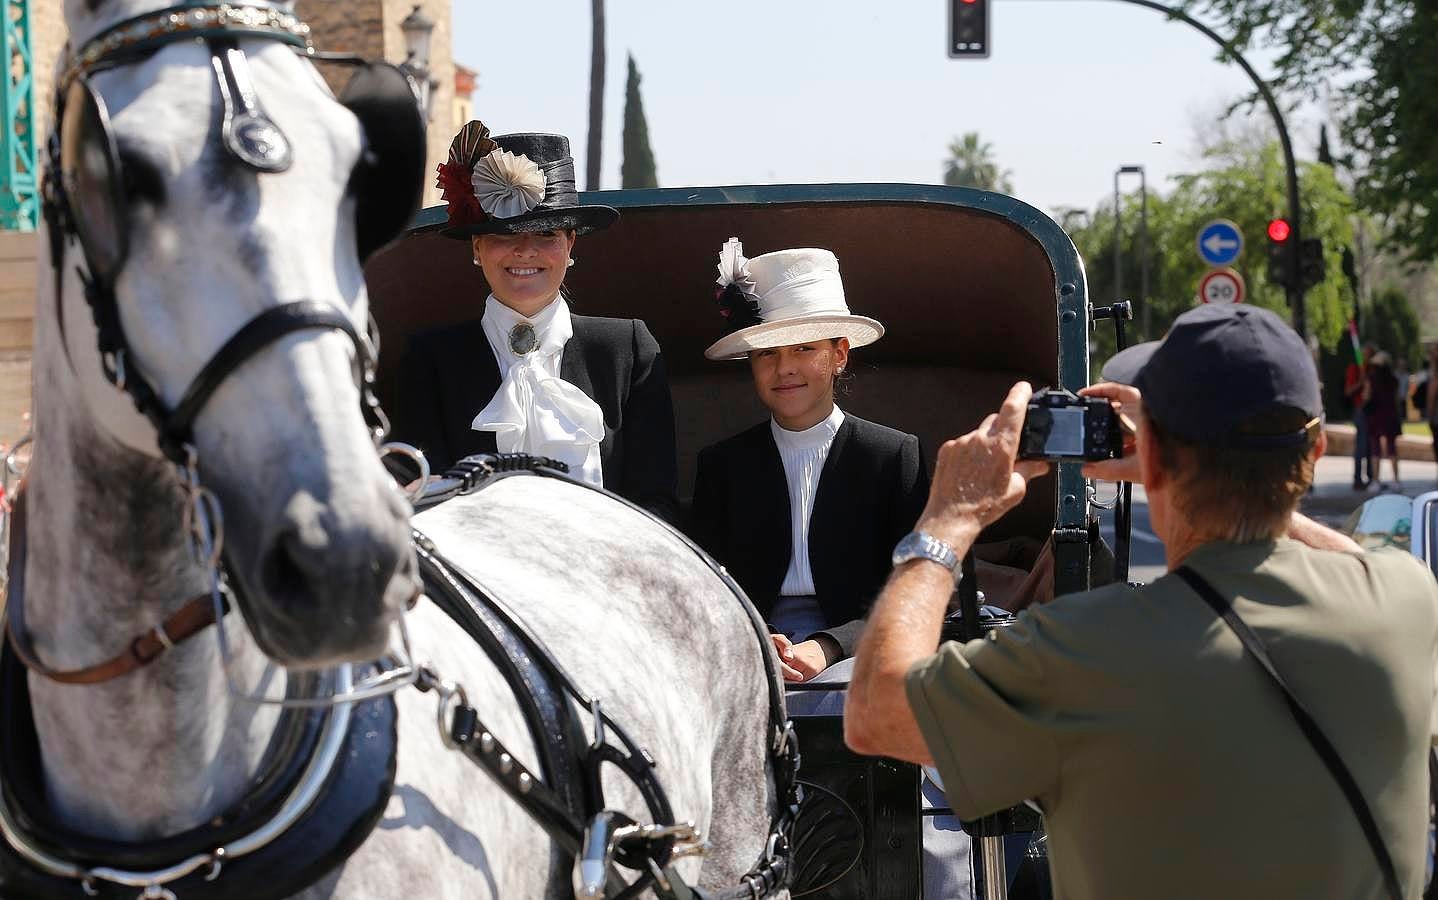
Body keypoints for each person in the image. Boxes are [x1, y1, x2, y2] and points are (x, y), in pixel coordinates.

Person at [846, 303, 1438, 899]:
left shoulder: (1082, 649)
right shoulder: (1408, 600)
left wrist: (949, 517)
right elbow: (1352, 562)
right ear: (1312, 456)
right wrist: (1178, 468)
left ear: (1152, 455)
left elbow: (875, 712)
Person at [393, 121, 678, 520]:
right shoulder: (430, 361)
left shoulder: (626, 349)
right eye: (504, 235)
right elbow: (422, 504)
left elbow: (656, 502)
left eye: (546, 234)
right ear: (477, 246)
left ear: (570, 243)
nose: (525, 251)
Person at [688, 239, 928, 683]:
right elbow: (708, 581)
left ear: (839, 355)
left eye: (803, 349)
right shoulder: (723, 465)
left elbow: (911, 590)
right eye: (767, 354)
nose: (784, 369)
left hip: (861, 644)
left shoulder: (891, 455)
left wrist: (829, 646)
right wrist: (764, 637)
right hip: (751, 641)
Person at [1367, 350, 1402, 490]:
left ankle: (1375, 480)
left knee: (1375, 448)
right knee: (1392, 448)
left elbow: (1366, 396)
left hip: (1376, 415)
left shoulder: (1371, 378)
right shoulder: (1394, 380)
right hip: (1390, 415)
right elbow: (1397, 399)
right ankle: (1396, 480)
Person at [1345, 342, 1374, 490]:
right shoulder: (1354, 369)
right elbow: (1348, 391)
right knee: (1361, 446)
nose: (1368, 357)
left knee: (1370, 446)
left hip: (1373, 412)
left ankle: (1370, 477)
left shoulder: (1373, 369)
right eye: (1366, 353)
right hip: (1360, 410)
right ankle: (1357, 479)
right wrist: (1360, 383)